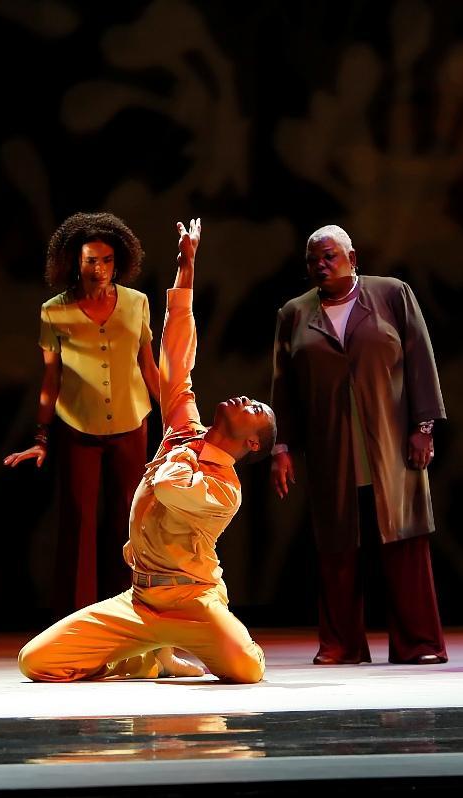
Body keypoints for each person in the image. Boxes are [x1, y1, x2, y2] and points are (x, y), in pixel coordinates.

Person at [18, 218, 272, 684]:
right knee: (35, 662)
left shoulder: (224, 489)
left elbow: (173, 485)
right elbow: (177, 357)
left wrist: (181, 438)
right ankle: (147, 652)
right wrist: (187, 269)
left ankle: (179, 643)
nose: (243, 398)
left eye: (255, 407)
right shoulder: (185, 431)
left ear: (251, 443)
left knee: (247, 670)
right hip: (139, 601)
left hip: (193, 601)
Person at [270, 225, 448, 666]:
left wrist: (423, 427)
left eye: (329, 256)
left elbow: (420, 359)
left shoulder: (391, 294)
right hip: (331, 445)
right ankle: (341, 644)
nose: (321, 266)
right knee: (336, 545)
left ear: (353, 256)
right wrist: (281, 448)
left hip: (388, 441)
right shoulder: (294, 313)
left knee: (404, 539)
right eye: (313, 260)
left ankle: (420, 643)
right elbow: (284, 388)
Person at [4, 213, 159, 613]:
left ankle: (129, 615)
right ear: (76, 261)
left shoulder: (136, 303)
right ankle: (76, 620)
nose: (100, 269)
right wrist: (42, 436)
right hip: (77, 425)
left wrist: (178, 418)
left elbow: (149, 368)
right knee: (78, 523)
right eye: (92, 260)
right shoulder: (54, 312)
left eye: (107, 260)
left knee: (129, 521)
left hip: (131, 422)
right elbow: (51, 377)